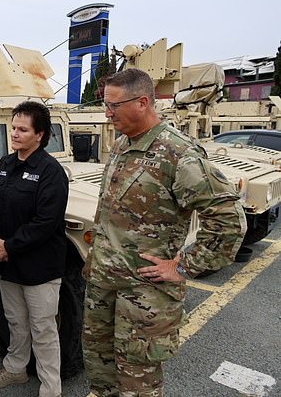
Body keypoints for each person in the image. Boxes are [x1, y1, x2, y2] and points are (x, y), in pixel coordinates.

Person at [82, 68, 247, 396]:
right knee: (101, 376)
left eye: (113, 106)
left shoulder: (178, 153)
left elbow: (228, 222)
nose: (107, 113)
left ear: (142, 102)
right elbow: (108, 211)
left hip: (144, 295)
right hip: (104, 285)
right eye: (105, 104)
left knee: (137, 385)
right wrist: (94, 256)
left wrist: (183, 266)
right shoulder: (120, 146)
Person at [0, 101, 68, 397]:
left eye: (22, 129)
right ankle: (16, 369)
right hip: (7, 264)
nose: (15, 134)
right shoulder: (5, 164)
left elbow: (46, 221)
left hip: (39, 266)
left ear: (40, 135)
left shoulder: (50, 172)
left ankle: (51, 389)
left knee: (43, 329)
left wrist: (11, 246)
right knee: (16, 322)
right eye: (13, 128)